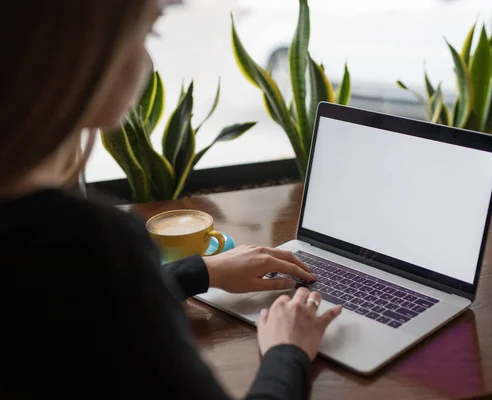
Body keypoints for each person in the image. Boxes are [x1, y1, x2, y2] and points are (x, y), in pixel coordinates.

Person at [0, 1, 342, 398]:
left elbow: (79, 309)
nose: (146, 59)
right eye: (148, 31)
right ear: (78, 49)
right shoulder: (86, 247)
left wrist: (199, 271)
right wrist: (288, 350)